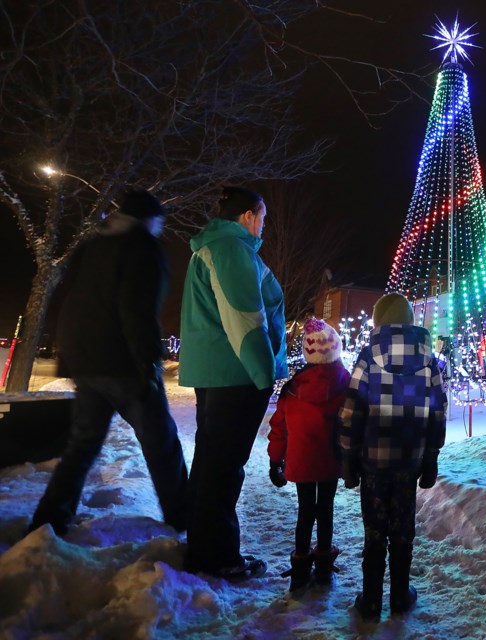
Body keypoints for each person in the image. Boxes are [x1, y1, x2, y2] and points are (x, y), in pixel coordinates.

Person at [30, 190, 188, 536]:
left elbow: (67, 303)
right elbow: (138, 311)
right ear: (148, 220)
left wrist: (69, 359)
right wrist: (148, 363)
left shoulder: (91, 247)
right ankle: (183, 517)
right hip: (123, 365)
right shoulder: (143, 248)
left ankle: (48, 521)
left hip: (87, 364)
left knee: (82, 445)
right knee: (161, 441)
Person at [178, 185, 287, 582]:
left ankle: (204, 548)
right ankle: (220, 556)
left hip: (216, 373)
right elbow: (245, 318)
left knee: (211, 462)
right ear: (247, 216)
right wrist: (265, 375)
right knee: (224, 467)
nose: (263, 228)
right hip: (235, 375)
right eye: (262, 218)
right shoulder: (232, 251)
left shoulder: (212, 249)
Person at [339, 292, 447, 622]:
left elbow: (351, 410)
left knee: (374, 531)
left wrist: (348, 455)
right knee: (403, 529)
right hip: (409, 460)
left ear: (378, 320)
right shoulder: (428, 359)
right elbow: (438, 411)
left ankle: (371, 599)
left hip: (373, 458)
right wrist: (431, 455)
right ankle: (400, 595)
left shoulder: (369, 355)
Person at [267, 317, 350, 592]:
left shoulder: (293, 388)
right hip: (331, 460)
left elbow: (279, 427)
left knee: (305, 511)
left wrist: (275, 460)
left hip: (302, 462)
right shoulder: (346, 383)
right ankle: (324, 568)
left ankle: (301, 569)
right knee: (325, 509)